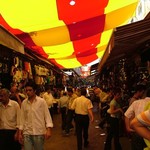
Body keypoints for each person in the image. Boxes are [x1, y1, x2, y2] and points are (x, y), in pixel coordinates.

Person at [18, 81, 53, 150]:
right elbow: (22, 118)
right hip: (27, 133)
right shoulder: (24, 103)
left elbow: (47, 116)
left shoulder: (41, 102)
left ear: (35, 90)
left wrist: (49, 129)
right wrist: (20, 132)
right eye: (26, 90)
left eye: (30, 90)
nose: (28, 92)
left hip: (39, 132)